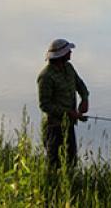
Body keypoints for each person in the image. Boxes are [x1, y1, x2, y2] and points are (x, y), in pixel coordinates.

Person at [38, 38, 90, 171]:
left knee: (71, 163)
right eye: (68, 50)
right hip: (53, 127)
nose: (71, 52)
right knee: (54, 165)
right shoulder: (45, 76)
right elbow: (45, 105)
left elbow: (80, 85)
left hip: (69, 124)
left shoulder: (69, 67)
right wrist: (67, 113)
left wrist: (84, 99)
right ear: (61, 55)